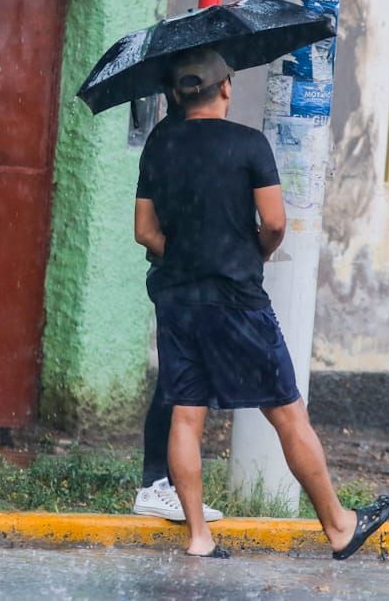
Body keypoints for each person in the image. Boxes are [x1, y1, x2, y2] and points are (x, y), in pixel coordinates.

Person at [133, 48, 389, 559]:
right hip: (236, 300)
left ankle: (198, 538)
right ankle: (340, 526)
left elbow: (145, 231)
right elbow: (275, 222)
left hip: (178, 298)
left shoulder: (159, 146)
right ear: (225, 87)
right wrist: (251, 253)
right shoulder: (249, 144)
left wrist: (188, 254)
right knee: (287, 413)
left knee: (186, 415)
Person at [133, 94, 224, 524]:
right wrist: (190, 258)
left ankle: (171, 485)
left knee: (183, 381)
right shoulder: (172, 142)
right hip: (178, 279)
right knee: (177, 382)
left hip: (182, 276)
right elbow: (145, 230)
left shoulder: (177, 138)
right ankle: (155, 484)